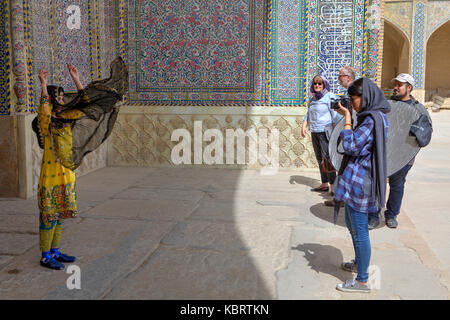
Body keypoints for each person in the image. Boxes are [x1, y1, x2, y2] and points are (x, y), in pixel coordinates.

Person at [333, 78, 390, 293]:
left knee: (359, 231)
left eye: (354, 99)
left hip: (361, 184)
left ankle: (363, 280)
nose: (352, 104)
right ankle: (359, 263)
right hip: (354, 181)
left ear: (365, 97)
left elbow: (351, 146)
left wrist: (347, 119)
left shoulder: (372, 120)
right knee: (351, 224)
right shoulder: (372, 117)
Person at [368, 73, 432, 229]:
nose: (395, 88)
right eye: (395, 84)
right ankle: (374, 215)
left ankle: (391, 215)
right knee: (377, 184)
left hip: (404, 157)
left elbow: (426, 132)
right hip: (384, 154)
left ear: (409, 88)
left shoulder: (418, 109)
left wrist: (410, 150)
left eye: (399, 85)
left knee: (397, 186)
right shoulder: (387, 105)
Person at [37, 64, 84, 270]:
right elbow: (44, 108)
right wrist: (44, 85)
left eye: (64, 97)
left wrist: (77, 79)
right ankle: (45, 256)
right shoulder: (47, 123)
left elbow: (84, 107)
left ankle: (56, 251)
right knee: (49, 216)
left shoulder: (67, 118)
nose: (62, 100)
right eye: (59, 97)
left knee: (61, 215)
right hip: (51, 178)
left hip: (67, 175)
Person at [302, 75, 342, 193]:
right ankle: (324, 183)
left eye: (320, 84)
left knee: (327, 158)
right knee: (319, 158)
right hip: (314, 131)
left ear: (324, 85)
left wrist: (338, 127)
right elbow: (308, 114)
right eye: (315, 84)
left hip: (325, 132)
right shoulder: (312, 99)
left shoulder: (329, 96)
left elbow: (335, 114)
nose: (317, 86)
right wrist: (304, 125)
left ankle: (333, 186)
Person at [324, 66, 356, 207]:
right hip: (347, 130)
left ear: (348, 77)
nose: (338, 78)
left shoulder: (355, 92)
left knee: (346, 167)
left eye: (340, 76)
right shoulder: (350, 92)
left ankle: (342, 199)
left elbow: (353, 113)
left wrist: (343, 112)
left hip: (353, 133)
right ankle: (339, 198)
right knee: (343, 167)